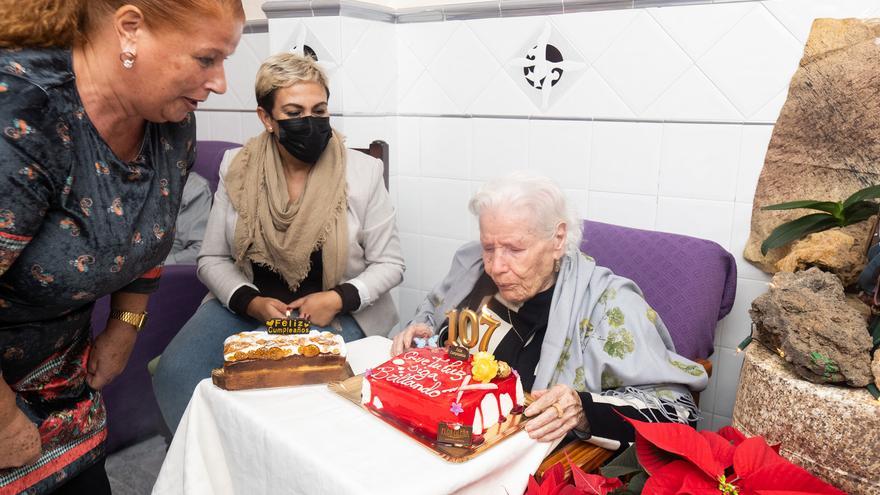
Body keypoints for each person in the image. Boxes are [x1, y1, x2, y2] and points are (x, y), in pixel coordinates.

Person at [0, 1, 243, 492]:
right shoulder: (22, 112)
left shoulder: (170, 120)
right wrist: (4, 419)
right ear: (130, 29)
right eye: (206, 59)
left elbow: (144, 232)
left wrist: (125, 324)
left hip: (67, 384)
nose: (220, 83)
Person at [153, 53, 404, 433]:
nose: (310, 122)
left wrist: (335, 298)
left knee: (261, 385)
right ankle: (205, 471)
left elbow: (391, 264)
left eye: (319, 110)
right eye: (293, 111)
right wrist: (250, 303)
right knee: (175, 373)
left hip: (332, 312)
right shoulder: (236, 166)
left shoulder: (364, 172)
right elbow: (212, 259)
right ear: (266, 118)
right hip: (249, 303)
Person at [391, 173, 707, 449]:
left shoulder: (607, 305)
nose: (496, 267)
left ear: (557, 239)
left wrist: (584, 411)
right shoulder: (472, 264)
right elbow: (434, 315)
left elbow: (676, 412)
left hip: (523, 463)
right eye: (489, 247)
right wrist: (425, 334)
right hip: (440, 430)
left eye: (514, 249)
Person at [164, 171, 212, 265]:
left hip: (162, 269)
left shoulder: (195, 189)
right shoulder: (136, 181)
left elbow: (198, 250)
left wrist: (161, 266)